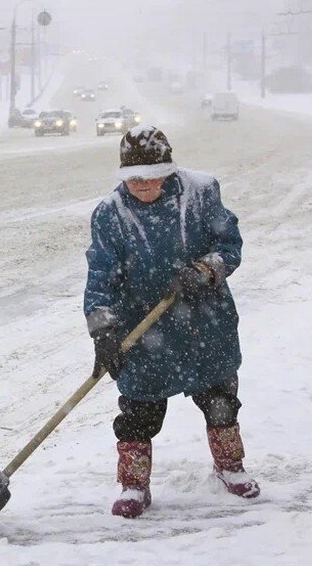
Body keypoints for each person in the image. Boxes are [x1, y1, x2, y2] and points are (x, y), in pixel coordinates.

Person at [84, 126, 260, 519]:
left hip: (203, 323)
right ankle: (134, 483)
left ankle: (230, 467)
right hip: (143, 330)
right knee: (138, 413)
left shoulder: (201, 193)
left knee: (220, 401)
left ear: (168, 171)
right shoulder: (110, 214)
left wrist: (206, 269)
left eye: (149, 178)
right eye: (133, 179)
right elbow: (100, 277)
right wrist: (104, 330)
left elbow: (229, 246)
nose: (142, 186)